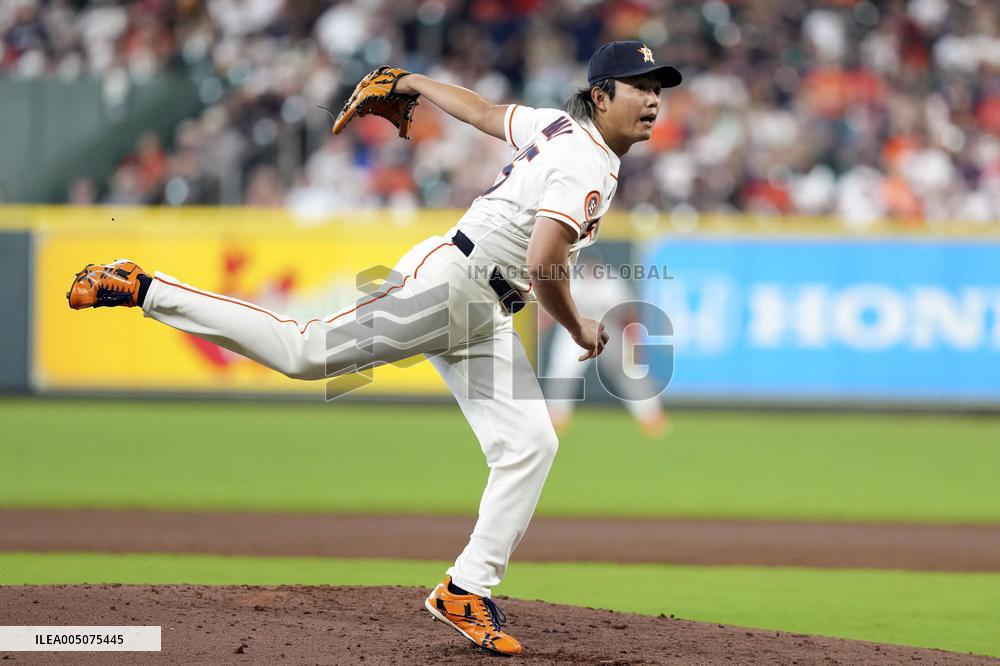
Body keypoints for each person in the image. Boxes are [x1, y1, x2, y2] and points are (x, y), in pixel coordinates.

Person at [66, 41, 682, 656]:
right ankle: (144, 287)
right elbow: (544, 259)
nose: (653, 100)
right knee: (305, 353)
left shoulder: (558, 126)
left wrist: (411, 82)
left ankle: (465, 589)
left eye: (657, 88)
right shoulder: (582, 160)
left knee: (530, 443)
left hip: (485, 308)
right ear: (601, 96)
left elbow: (485, 113)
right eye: (639, 87)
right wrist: (576, 327)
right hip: (451, 286)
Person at [542, 252, 669, 438]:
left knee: (629, 370)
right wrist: (545, 323)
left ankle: (650, 415)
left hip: (606, 326)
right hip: (574, 326)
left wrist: (633, 341)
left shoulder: (612, 281)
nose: (590, 271)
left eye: (593, 267)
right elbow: (552, 307)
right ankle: (556, 416)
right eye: (586, 267)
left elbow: (628, 313)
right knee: (562, 370)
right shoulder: (571, 280)